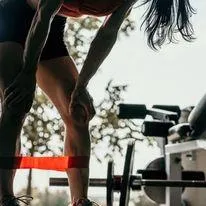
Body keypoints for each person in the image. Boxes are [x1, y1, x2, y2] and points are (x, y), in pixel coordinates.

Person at [0, 0, 195, 205]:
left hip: (51, 27)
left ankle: (80, 200)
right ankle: (5, 197)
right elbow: (44, 13)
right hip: (14, 17)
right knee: (16, 103)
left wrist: (82, 86)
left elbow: (107, 33)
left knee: (77, 111)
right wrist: (28, 72)